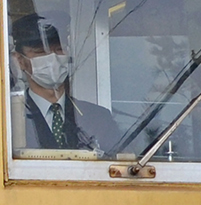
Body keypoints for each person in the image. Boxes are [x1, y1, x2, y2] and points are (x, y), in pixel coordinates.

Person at [10, 14, 121, 155]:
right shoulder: (10, 118)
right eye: (41, 52)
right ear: (19, 60)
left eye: (59, 49)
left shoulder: (99, 118)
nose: (53, 59)